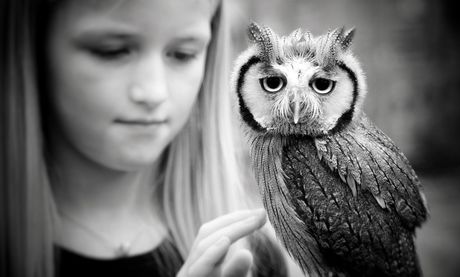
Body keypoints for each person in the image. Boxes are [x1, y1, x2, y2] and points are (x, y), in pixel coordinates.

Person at [0, 0, 303, 276]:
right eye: (112, 51)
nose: (154, 92)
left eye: (183, 54)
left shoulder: (248, 256)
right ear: (32, 51)